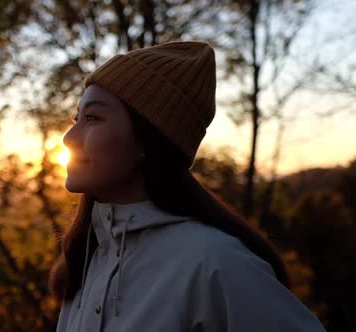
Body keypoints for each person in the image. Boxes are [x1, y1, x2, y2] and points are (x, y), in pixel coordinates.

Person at [48, 41, 326, 332]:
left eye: (92, 118)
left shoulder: (217, 263)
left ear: (148, 138)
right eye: (76, 118)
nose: (69, 137)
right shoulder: (87, 257)